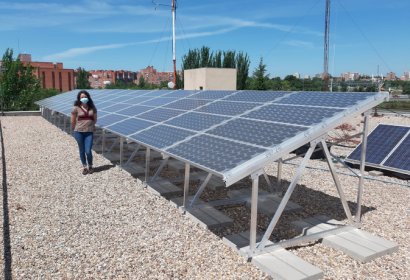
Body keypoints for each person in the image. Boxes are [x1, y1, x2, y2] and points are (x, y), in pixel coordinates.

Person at [71, 90, 98, 175]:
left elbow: (95, 119)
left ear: (88, 97)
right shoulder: (76, 108)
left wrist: (89, 126)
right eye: (82, 97)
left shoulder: (93, 108)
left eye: (85, 97)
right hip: (79, 132)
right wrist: (78, 128)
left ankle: (90, 165)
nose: (84, 98)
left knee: (88, 151)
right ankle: (85, 167)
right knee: (82, 150)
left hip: (89, 132)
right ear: (79, 98)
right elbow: (72, 121)